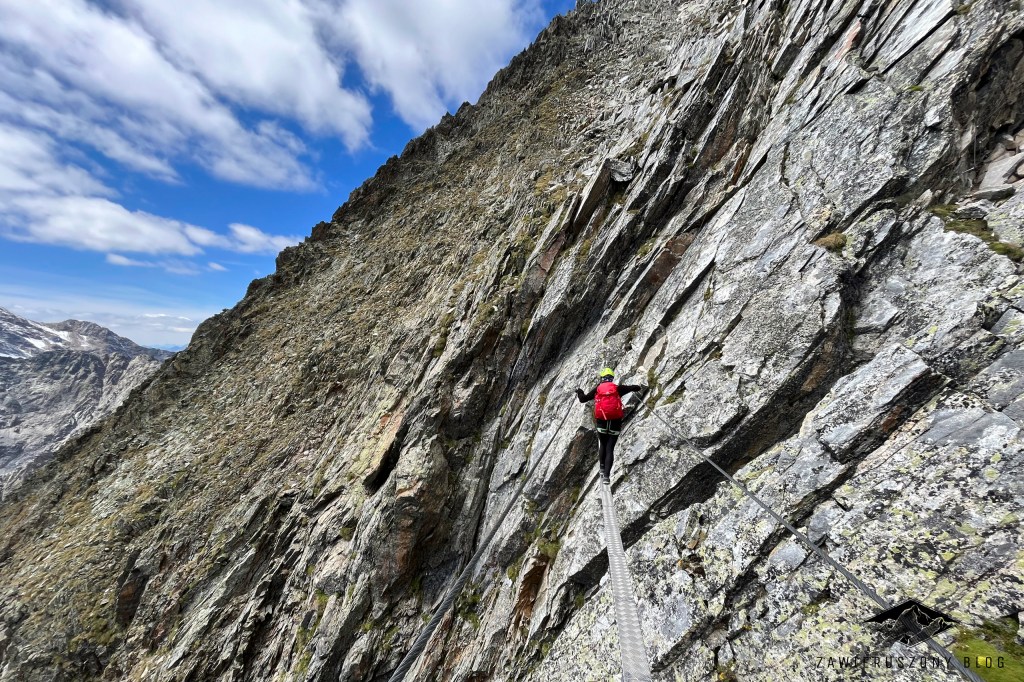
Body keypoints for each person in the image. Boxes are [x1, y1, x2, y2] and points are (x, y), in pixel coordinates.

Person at [575, 368, 644, 484]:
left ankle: (602, 469)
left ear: (602, 378)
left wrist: (579, 391)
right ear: (612, 378)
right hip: (615, 422)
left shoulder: (597, 389)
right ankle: (606, 476)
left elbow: (583, 399)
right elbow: (636, 387)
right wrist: (634, 388)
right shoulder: (618, 388)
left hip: (602, 421)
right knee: (610, 448)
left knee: (603, 444)